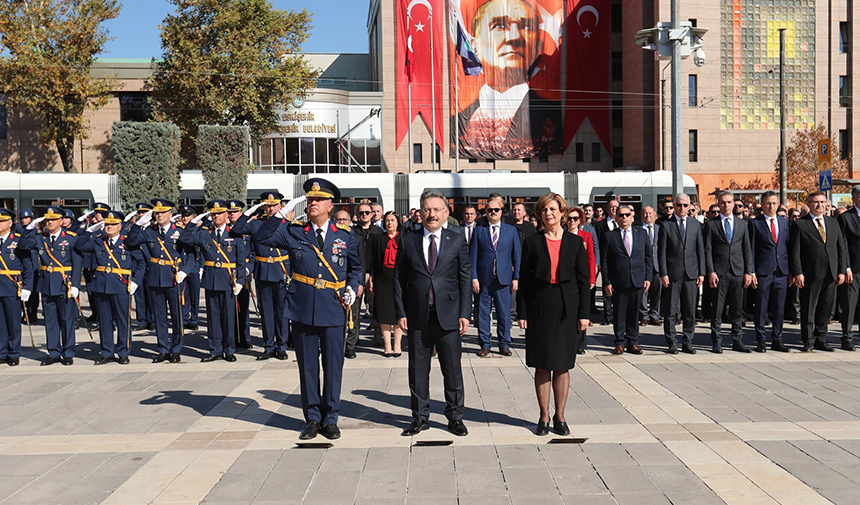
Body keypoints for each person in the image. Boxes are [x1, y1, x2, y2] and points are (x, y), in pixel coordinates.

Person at [254, 178, 362, 441]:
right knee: (308, 367)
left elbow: (356, 268)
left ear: (330, 205)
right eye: (309, 199)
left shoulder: (344, 236)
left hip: (334, 307)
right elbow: (261, 236)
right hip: (302, 308)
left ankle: (331, 418)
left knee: (333, 366)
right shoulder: (293, 232)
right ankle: (313, 418)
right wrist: (282, 212)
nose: (312, 203)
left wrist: (352, 287)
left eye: (317, 199)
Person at [395, 189, 471, 437]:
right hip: (417, 315)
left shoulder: (457, 239)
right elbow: (398, 279)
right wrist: (401, 312)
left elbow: (465, 278)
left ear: (446, 213)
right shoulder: (408, 240)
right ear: (420, 212)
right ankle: (419, 417)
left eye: (437, 209)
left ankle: (455, 417)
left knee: (452, 369)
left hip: (448, 315)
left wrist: (465, 313)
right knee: (417, 370)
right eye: (427, 209)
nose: (432, 214)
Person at [517, 193, 590, 436]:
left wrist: (584, 314)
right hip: (540, 308)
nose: (549, 214)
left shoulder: (575, 242)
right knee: (541, 365)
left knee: (562, 365)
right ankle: (544, 416)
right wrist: (522, 312)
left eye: (553, 209)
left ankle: (560, 416)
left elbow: (583, 282)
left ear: (562, 212)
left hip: (566, 309)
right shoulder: (532, 242)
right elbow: (524, 281)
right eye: (544, 210)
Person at [455, 0, 561, 159]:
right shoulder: (459, 120)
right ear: (474, 46)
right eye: (499, 26)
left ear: (537, 47)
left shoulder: (553, 118)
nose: (514, 38)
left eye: (526, 27)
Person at [126, 199, 195, 364]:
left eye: (163, 212)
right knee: (159, 317)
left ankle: (176, 349)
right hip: (155, 278)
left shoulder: (179, 231)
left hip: (174, 277)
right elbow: (129, 242)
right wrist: (137, 225)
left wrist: (184, 272)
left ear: (170, 214)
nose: (160, 215)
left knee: (177, 316)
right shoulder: (149, 231)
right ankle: (163, 349)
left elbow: (192, 255)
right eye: (157, 213)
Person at [179, 200, 247, 363]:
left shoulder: (234, 234)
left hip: (228, 280)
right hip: (211, 280)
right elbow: (184, 238)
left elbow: (241, 260)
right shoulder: (204, 233)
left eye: (220, 213)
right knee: (213, 318)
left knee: (228, 317)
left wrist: (240, 281)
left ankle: (229, 349)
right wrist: (194, 221)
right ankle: (215, 350)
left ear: (226, 215)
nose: (216, 216)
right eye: (213, 214)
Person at [74, 211, 145, 364]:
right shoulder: (98, 241)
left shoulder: (128, 242)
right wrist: (88, 231)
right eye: (107, 224)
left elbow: (142, 263)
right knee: (104, 322)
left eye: (113, 224)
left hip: (121, 286)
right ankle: (106, 352)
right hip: (102, 287)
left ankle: (123, 352)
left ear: (120, 226)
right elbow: (78, 246)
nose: (109, 227)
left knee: (122, 322)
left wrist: (135, 282)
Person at [229, 192, 291, 361]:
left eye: (274, 205)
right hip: (263, 271)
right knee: (267, 312)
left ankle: (281, 346)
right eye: (267, 206)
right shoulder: (256, 224)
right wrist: (249, 212)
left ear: (280, 206)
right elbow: (236, 229)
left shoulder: (288, 225)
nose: (271, 209)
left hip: (281, 272)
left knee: (281, 312)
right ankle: (268, 346)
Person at [20, 206, 82, 366]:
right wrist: (29, 229)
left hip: (64, 284)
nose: (50, 222)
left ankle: (68, 352)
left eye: (53, 219)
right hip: (47, 284)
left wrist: (75, 284)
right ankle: (53, 352)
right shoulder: (41, 238)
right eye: (47, 220)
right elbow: (23, 245)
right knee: (51, 321)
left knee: (67, 320)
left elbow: (77, 263)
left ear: (61, 221)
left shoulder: (71, 237)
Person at [791, 191, 847, 352]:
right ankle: (808, 340)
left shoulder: (833, 223)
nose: (819, 205)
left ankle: (821, 338)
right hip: (810, 273)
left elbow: (840, 249)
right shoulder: (800, 224)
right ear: (808, 204)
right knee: (809, 308)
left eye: (822, 202)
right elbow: (795, 251)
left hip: (831, 272)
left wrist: (841, 270)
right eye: (815, 202)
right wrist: (798, 272)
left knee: (825, 307)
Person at [471, 195, 521, 357]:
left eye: (496, 210)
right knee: (482, 314)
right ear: (485, 212)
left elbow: (517, 256)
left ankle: (504, 343)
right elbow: (472, 256)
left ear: (502, 212)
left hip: (504, 279)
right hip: (484, 280)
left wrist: (516, 278)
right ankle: (485, 344)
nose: (493, 212)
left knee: (504, 313)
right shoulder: (479, 230)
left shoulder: (511, 231)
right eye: (490, 210)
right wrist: (474, 278)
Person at [704, 191, 753, 353]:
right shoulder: (711, 224)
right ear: (718, 203)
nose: (726, 205)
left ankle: (737, 340)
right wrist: (710, 271)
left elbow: (747, 249)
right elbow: (708, 250)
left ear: (734, 204)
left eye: (729, 202)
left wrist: (749, 271)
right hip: (719, 273)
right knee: (717, 309)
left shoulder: (742, 224)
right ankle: (716, 341)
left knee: (737, 309)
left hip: (738, 272)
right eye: (723, 202)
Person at [601, 205, 651, 355]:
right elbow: (604, 262)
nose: (624, 218)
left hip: (638, 280)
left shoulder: (642, 234)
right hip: (618, 281)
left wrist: (648, 278)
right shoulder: (610, 236)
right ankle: (619, 342)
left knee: (634, 313)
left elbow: (648, 257)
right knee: (619, 313)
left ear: (632, 216)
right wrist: (607, 282)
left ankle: (633, 342)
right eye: (621, 215)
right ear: (616, 218)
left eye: (626, 215)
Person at [658, 194, 704, 354]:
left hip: (691, 274)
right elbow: (662, 252)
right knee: (671, 311)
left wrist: (702, 273)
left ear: (690, 206)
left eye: (685, 205)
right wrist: (663, 273)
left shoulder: (695, 225)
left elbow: (700, 250)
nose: (682, 208)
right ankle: (671, 342)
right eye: (679, 205)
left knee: (690, 310)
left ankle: (687, 341)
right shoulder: (665, 225)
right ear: (674, 206)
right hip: (672, 274)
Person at [749, 191, 791, 353]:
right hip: (763, 272)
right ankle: (761, 340)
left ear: (778, 204)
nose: (771, 206)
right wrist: (751, 272)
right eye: (767, 203)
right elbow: (751, 249)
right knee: (761, 307)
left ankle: (777, 339)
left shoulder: (784, 222)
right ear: (762, 205)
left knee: (779, 308)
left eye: (774, 203)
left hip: (781, 271)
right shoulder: (755, 223)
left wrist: (792, 271)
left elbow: (788, 246)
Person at [0, 208, 34, 366]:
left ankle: (13, 353)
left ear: (10, 223)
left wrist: (27, 286)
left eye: (2, 221)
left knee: (13, 322)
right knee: (0, 323)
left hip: (12, 286)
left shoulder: (18, 240)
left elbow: (27, 266)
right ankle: (1, 352)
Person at [369, 211, 404, 357]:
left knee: (398, 312)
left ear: (397, 223)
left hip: (399, 278)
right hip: (382, 279)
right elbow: (372, 260)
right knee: (384, 313)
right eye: (387, 220)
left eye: (392, 220)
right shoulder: (377, 238)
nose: (390, 223)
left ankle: (397, 345)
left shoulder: (403, 238)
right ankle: (387, 346)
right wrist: (371, 278)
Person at [351, 202, 382, 351]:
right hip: (357, 273)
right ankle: (354, 338)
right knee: (355, 308)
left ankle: (378, 336)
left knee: (377, 307)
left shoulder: (378, 231)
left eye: (367, 213)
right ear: (357, 215)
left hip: (373, 273)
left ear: (372, 214)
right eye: (361, 213)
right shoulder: (352, 231)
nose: (364, 215)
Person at [566, 207, 596, 354]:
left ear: (580, 221)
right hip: (567, 278)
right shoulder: (562, 235)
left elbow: (591, 258)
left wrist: (592, 279)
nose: (572, 221)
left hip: (582, 278)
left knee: (582, 310)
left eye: (575, 218)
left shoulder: (586, 236)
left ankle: (580, 343)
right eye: (570, 218)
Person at [227, 200, 254, 350]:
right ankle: (231, 339)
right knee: (229, 309)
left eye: (235, 212)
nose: (232, 215)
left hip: (243, 274)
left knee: (242, 308)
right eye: (230, 212)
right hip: (227, 273)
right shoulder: (224, 230)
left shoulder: (247, 230)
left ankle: (244, 338)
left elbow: (254, 253)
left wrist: (248, 269)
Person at [838, 185, 860, 352]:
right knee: (850, 304)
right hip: (853, 269)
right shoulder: (846, 218)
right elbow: (843, 245)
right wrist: (846, 267)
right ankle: (847, 337)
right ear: (854, 198)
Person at [595, 199, 619, 325]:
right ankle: (608, 315)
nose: (614, 209)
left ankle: (618, 315)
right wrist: (598, 262)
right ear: (607, 209)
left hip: (620, 261)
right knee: (607, 289)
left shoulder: (622, 223)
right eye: (612, 207)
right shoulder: (600, 225)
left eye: (616, 207)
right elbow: (598, 244)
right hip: (606, 261)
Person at [177, 204, 201, 330]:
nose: (185, 218)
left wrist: (201, 267)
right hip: (183, 266)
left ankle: (194, 319)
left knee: (194, 294)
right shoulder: (179, 230)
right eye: (183, 216)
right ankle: (184, 318)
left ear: (193, 217)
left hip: (195, 266)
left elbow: (202, 250)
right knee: (183, 294)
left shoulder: (198, 230)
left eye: (188, 216)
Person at [639, 206, 662, 326]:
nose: (648, 215)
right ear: (641, 215)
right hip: (642, 266)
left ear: (654, 215)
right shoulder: (637, 230)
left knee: (656, 292)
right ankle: (644, 315)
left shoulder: (660, 229)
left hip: (657, 265)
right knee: (643, 291)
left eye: (650, 213)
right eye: (645, 213)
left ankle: (654, 315)